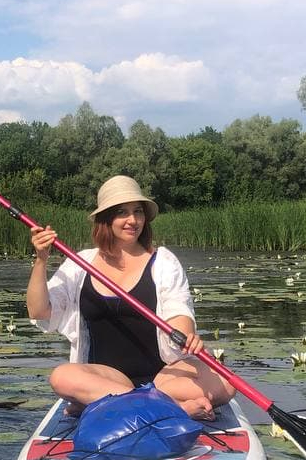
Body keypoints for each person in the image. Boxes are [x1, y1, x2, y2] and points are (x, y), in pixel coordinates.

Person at [26, 175, 234, 420]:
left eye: (138, 211)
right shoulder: (80, 264)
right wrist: (41, 260)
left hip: (164, 378)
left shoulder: (163, 261)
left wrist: (186, 336)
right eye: (122, 212)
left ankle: (111, 406)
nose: (133, 220)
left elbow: (179, 311)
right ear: (106, 219)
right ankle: (173, 410)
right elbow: (38, 311)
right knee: (61, 376)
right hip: (104, 379)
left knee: (227, 381)